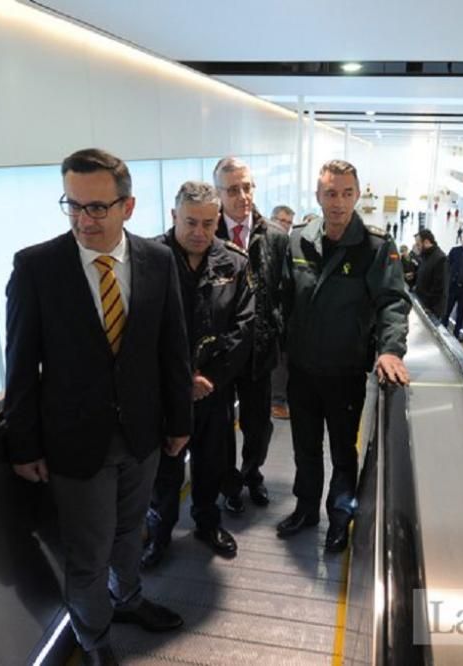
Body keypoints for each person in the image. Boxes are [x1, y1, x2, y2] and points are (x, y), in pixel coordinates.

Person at [4, 148, 192, 665]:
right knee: (87, 553)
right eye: (74, 205)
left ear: (127, 207)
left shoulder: (157, 261)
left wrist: (180, 421)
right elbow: (20, 364)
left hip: (143, 433)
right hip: (74, 441)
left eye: (97, 208)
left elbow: (173, 347)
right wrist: (23, 444)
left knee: (133, 530)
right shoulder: (37, 267)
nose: (84, 219)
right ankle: (95, 637)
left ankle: (128, 598)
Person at [278, 160, 410, 553]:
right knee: (304, 446)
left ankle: (340, 517)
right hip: (302, 369)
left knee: (341, 450)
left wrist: (390, 350)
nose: (338, 203)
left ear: (357, 194)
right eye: (330, 193)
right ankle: (305, 508)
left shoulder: (374, 246)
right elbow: (284, 299)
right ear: (318, 196)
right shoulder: (299, 239)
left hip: (345, 370)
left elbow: (392, 302)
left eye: (346, 193)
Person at [141, 182, 255, 569]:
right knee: (165, 472)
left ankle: (208, 524)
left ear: (218, 219)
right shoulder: (148, 260)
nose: (200, 232)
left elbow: (243, 327)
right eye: (190, 222)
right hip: (162, 395)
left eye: (209, 223)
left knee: (211, 464)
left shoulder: (234, 263)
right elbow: (140, 332)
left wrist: (210, 379)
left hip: (214, 391)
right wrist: (181, 381)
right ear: (174, 216)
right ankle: (159, 535)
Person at [212, 157, 289, 513]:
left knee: (258, 424)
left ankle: (252, 473)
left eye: (247, 187)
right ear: (218, 193)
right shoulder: (206, 234)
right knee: (221, 424)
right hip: (221, 352)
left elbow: (283, 290)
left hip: (259, 350)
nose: (243, 196)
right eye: (232, 189)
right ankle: (229, 483)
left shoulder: (274, 235)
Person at [268, 205, 296, 419]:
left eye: (288, 222)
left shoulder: (291, 246)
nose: (284, 225)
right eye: (281, 220)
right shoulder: (265, 243)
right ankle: (276, 400)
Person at [412, 229, 447, 321]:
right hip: (422, 304)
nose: (417, 247)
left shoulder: (440, 259)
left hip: (431, 310)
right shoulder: (426, 256)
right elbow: (426, 274)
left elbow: (439, 288)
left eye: (418, 244)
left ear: (426, 242)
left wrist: (429, 307)